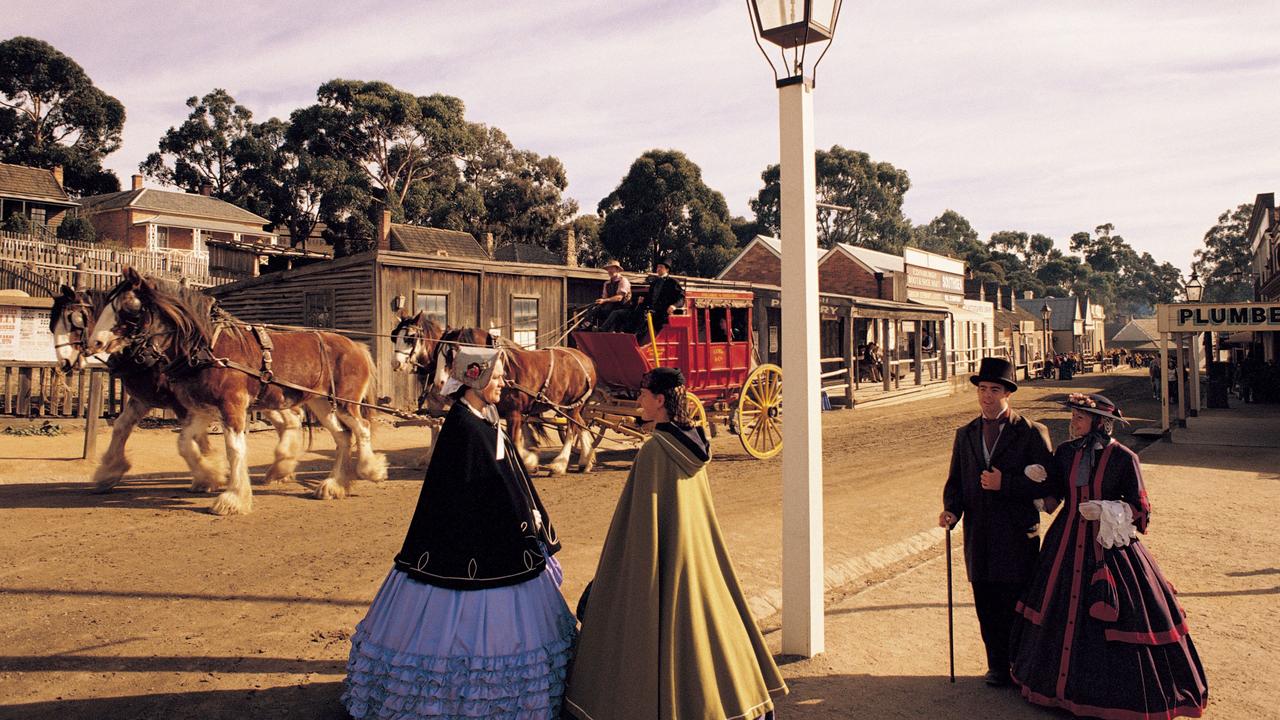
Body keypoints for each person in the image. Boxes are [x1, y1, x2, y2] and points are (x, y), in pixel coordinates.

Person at [343, 346, 575, 719]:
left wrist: (526, 511)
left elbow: (505, 473)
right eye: (496, 377)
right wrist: (515, 518)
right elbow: (476, 486)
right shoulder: (464, 427)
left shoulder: (485, 416)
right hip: (464, 542)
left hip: (495, 531)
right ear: (476, 380)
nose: (503, 383)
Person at [564, 367, 787, 719]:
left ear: (660, 400)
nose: (638, 399)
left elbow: (637, 526)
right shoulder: (695, 447)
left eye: (643, 394)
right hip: (695, 559)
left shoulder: (654, 452)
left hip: (661, 564)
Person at [1009, 393, 1208, 718]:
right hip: (1065, 540)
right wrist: (1036, 480)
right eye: (1074, 417)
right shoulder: (1065, 453)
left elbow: (1141, 510)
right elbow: (1055, 495)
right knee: (1052, 603)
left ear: (1100, 424)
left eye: (1080, 418)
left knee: (1117, 613)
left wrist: (1106, 508)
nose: (1074, 423)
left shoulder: (1123, 457)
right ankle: (1054, 689)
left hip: (1108, 546)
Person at [939, 357, 1054, 687]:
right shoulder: (966, 434)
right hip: (980, 537)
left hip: (1018, 535)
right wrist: (951, 511)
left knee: (1017, 603)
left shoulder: (1032, 433)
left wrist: (1008, 484)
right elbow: (956, 483)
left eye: (995, 390)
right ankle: (997, 666)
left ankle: (1022, 666)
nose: (987, 396)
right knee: (986, 604)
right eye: (983, 389)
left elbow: (1049, 485)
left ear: (1008, 394)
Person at [637, 256, 685, 340]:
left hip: (663, 313)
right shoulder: (654, 282)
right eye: (657, 267)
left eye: (661, 267)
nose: (658, 269)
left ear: (667, 269)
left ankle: (638, 341)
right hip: (652, 311)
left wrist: (674, 306)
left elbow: (681, 298)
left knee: (646, 318)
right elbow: (650, 298)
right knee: (636, 312)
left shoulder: (673, 282)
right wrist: (642, 301)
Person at [595, 260, 632, 332]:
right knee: (596, 308)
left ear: (617, 269)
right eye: (608, 269)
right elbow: (604, 298)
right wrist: (601, 302)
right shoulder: (606, 283)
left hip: (625, 309)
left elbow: (619, 298)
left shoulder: (623, 280)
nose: (609, 271)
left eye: (612, 268)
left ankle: (602, 329)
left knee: (615, 313)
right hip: (612, 308)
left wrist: (605, 300)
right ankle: (588, 326)